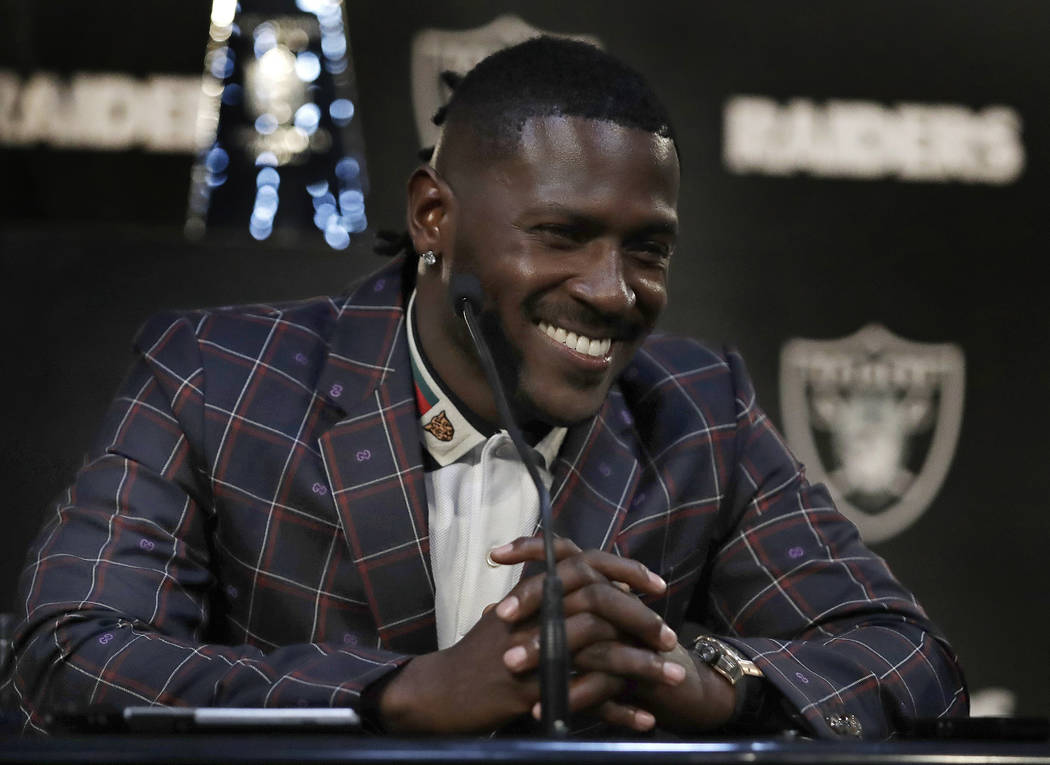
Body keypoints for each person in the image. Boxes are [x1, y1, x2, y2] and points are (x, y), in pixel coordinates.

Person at [8, 37, 966, 738]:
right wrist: (390, 692)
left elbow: (908, 657)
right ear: (435, 217)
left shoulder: (699, 407)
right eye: (561, 234)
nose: (611, 289)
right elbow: (68, 651)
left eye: (648, 248)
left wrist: (710, 678)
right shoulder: (215, 377)